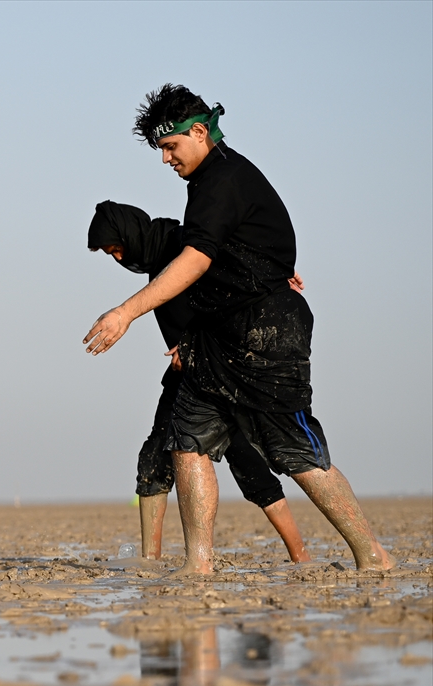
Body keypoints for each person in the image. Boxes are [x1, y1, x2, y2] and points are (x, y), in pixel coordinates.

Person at [83, 84, 393, 575]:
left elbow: (196, 258)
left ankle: (373, 555)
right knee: (188, 439)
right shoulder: (206, 185)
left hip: (265, 332)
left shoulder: (224, 177)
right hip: (218, 334)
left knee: (294, 451)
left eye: (169, 147)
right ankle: (198, 566)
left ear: (199, 132)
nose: (165, 159)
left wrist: (124, 312)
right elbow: (232, 246)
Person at [87, 200, 310, 563]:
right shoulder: (155, 262)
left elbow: (235, 263)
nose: (117, 258)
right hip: (186, 374)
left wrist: (277, 278)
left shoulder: (181, 242)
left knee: (250, 464)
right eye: (110, 253)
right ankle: (150, 560)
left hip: (222, 366)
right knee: (153, 461)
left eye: (117, 248)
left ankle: (301, 555)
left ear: (130, 233)